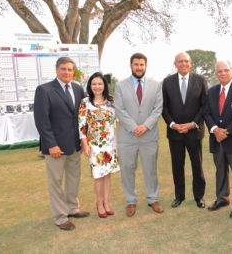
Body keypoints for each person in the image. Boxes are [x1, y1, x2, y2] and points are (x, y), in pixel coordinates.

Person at [33, 57, 89, 231]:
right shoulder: (45, 90)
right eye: (63, 69)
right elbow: (42, 120)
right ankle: (60, 217)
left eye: (70, 70)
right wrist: (51, 144)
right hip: (55, 147)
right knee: (56, 182)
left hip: (74, 145)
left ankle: (72, 208)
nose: (67, 72)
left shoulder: (78, 89)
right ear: (57, 70)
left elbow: (84, 113)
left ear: (74, 72)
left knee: (73, 179)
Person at [114, 53, 164, 217]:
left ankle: (152, 199)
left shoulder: (156, 85)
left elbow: (158, 109)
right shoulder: (120, 85)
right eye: (136, 64)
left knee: (150, 170)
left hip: (149, 136)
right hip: (127, 137)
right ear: (131, 65)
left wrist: (146, 126)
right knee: (127, 170)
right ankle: (130, 201)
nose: (139, 67)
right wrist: (134, 127)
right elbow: (119, 110)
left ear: (146, 65)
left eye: (142, 64)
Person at [203, 60, 232, 218]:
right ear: (216, 74)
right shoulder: (212, 91)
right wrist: (215, 129)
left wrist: (228, 131)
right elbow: (207, 113)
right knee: (220, 171)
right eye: (219, 71)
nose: (223, 73)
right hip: (217, 139)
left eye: (226, 70)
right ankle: (222, 198)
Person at [162, 52, 207, 209]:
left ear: (190, 63)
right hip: (175, 133)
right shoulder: (167, 82)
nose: (183, 64)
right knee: (177, 166)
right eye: (180, 61)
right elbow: (164, 107)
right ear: (175, 64)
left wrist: (193, 124)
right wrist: (173, 124)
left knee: (197, 166)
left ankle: (199, 197)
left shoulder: (200, 80)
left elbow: (204, 106)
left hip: (194, 132)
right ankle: (179, 196)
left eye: (186, 61)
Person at [78, 72, 120, 218]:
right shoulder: (85, 102)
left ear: (104, 85)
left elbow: (119, 118)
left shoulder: (112, 101)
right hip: (94, 145)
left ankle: (107, 202)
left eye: (100, 84)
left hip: (111, 143)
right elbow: (82, 125)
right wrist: (85, 144)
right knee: (98, 175)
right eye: (94, 84)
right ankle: (99, 203)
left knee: (107, 173)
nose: (97, 87)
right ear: (90, 86)